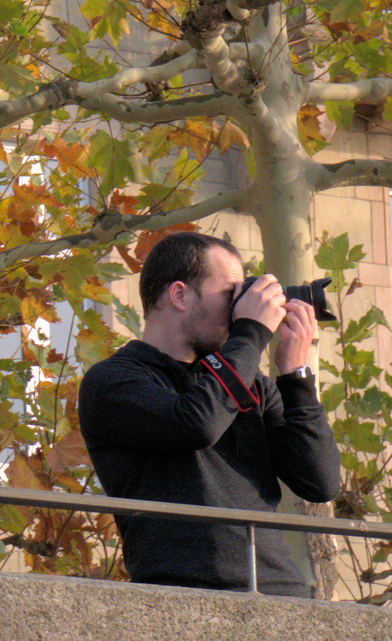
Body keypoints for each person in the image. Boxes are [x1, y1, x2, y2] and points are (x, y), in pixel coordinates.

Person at [78, 230, 341, 596]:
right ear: (180, 295)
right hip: (181, 594)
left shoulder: (253, 384)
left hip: (280, 591)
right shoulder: (112, 381)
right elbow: (196, 424)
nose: (240, 308)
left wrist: (295, 377)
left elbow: (320, 482)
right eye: (231, 294)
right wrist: (250, 334)